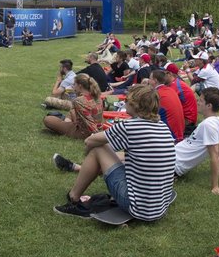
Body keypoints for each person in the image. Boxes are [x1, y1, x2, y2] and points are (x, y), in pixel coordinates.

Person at [52, 84, 177, 222]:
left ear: (135, 105)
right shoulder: (162, 126)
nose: (124, 102)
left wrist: (89, 153)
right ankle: (77, 170)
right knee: (108, 152)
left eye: (127, 100)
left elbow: (90, 141)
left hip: (138, 207)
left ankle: (73, 197)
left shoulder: (130, 127)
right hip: (158, 206)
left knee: (98, 148)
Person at [174, 88, 219, 194]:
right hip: (173, 155)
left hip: (174, 164)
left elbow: (214, 155)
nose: (197, 102)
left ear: (209, 106)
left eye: (201, 101)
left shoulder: (209, 125)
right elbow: (218, 148)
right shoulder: (217, 121)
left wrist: (215, 186)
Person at [44, 73, 106, 140]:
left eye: (74, 84)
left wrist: (96, 136)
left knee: (48, 119)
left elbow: (89, 121)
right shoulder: (97, 97)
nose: (73, 86)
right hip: (98, 129)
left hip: (84, 132)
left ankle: (65, 122)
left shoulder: (79, 100)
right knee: (70, 114)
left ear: (80, 86)